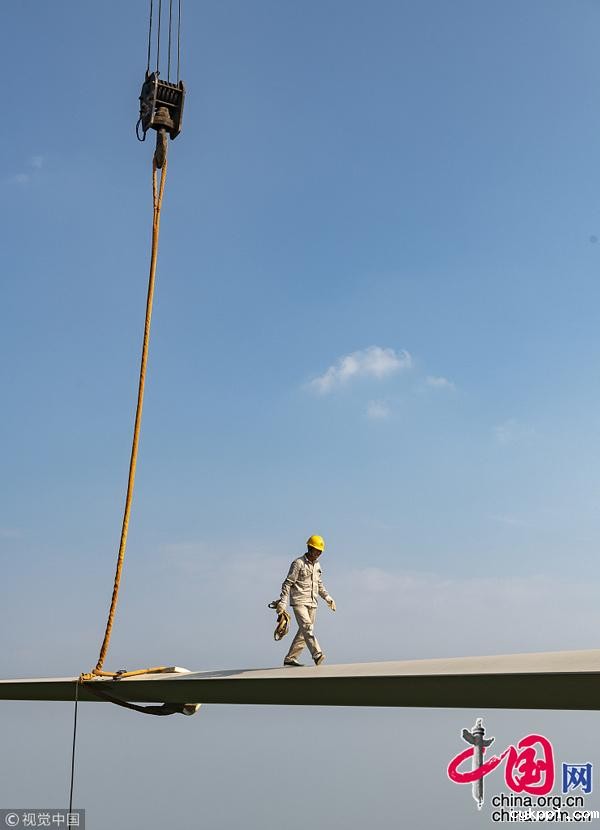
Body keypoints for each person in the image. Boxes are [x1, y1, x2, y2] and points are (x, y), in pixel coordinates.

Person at [276, 534, 336, 666]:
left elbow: (319, 584)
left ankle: (290, 658)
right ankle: (317, 654)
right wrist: (283, 602)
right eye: (317, 550)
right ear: (310, 548)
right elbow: (287, 583)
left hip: (313, 603)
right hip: (299, 601)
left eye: (320, 552)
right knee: (307, 627)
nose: (318, 554)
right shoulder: (298, 563)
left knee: (304, 632)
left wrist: (327, 597)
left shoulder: (318, 565)